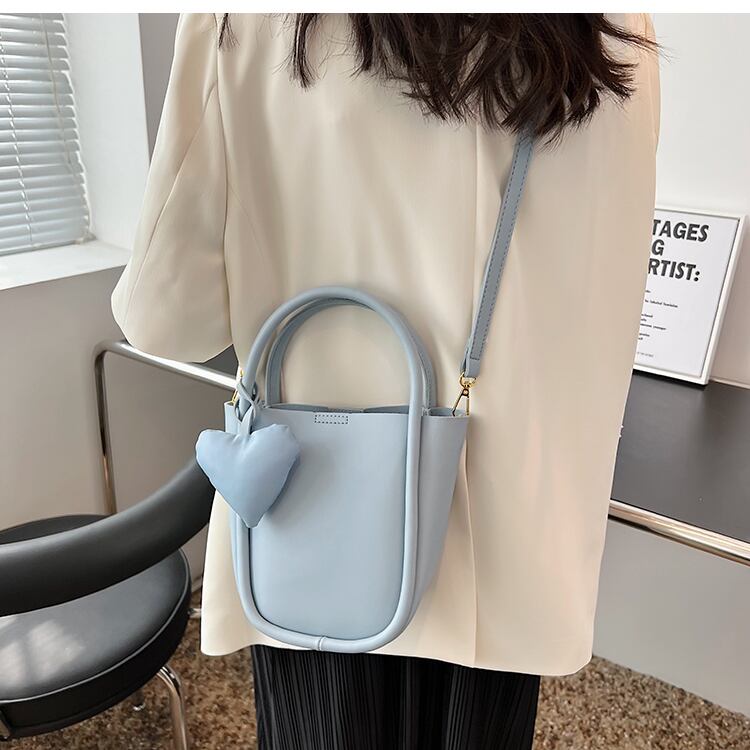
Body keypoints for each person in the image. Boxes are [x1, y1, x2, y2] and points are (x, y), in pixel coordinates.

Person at [112, 13, 659, 749]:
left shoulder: (248, 19)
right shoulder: (617, 27)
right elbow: (607, 295)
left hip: (317, 518)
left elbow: (166, 321)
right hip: (513, 543)